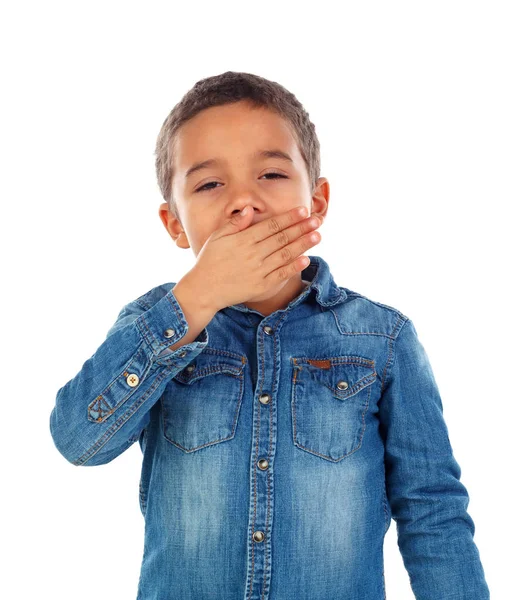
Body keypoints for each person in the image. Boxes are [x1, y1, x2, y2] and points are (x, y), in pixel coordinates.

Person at [49, 71, 490, 599]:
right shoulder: (156, 325)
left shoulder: (383, 339)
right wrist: (195, 296)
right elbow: (79, 440)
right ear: (174, 224)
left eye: (272, 175)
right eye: (211, 184)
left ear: (318, 200)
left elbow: (433, 511)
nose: (244, 201)